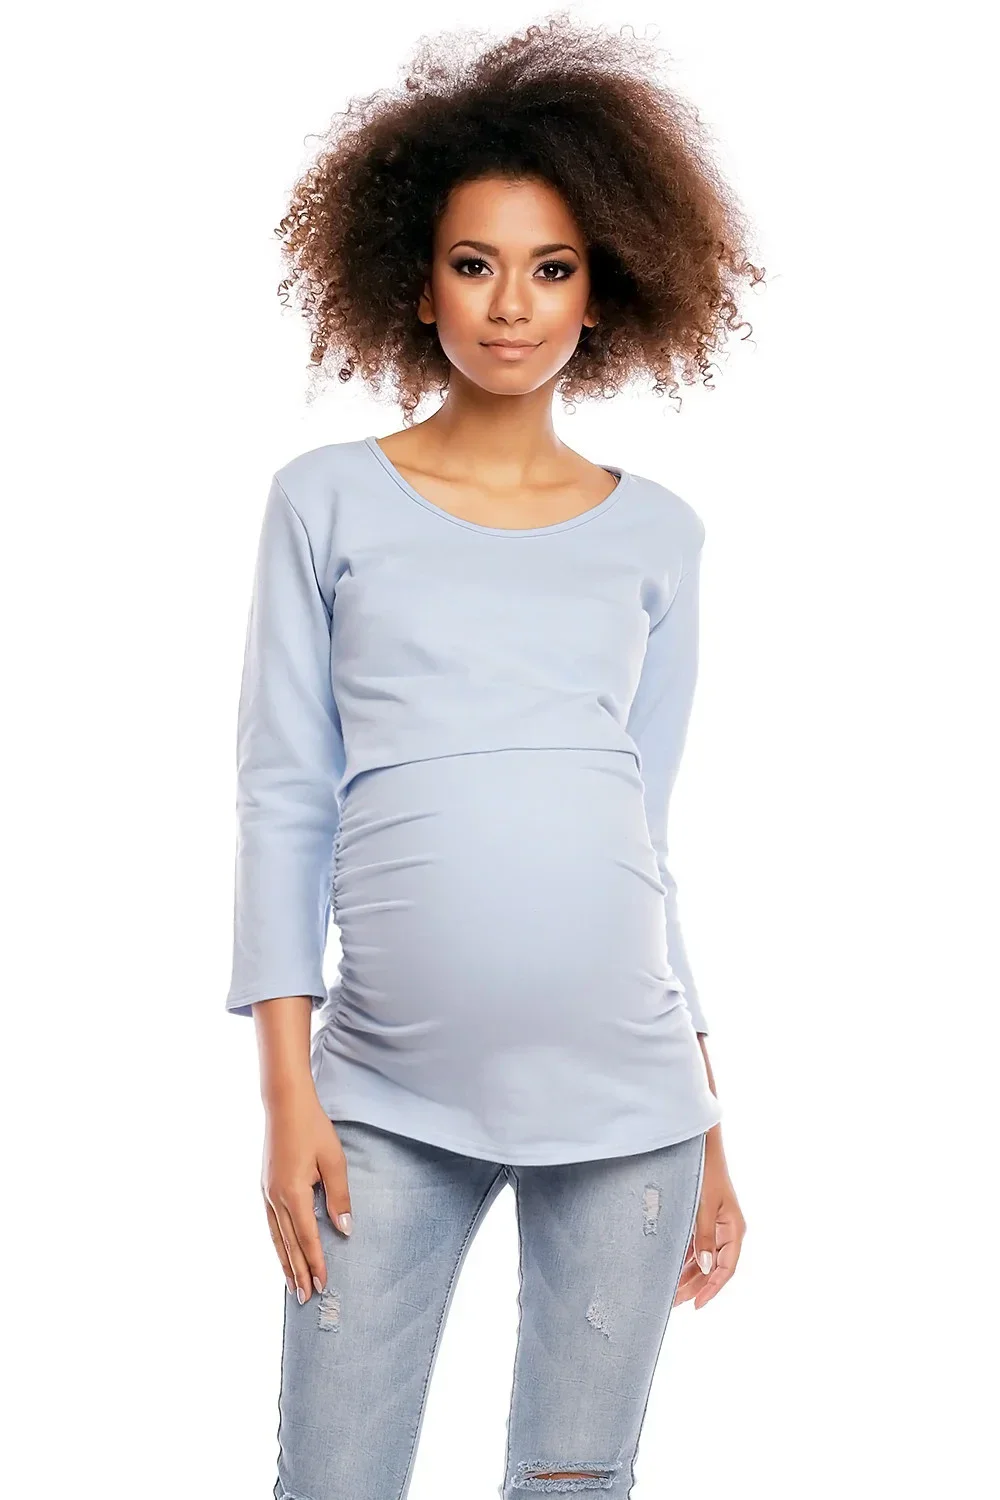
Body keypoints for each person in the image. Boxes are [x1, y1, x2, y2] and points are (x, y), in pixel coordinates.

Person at [225, 14, 760, 1498]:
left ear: (605, 288)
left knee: (574, 1483)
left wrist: (709, 1121)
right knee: (333, 1479)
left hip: (632, 1108)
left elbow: (645, 840)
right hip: (382, 1100)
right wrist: (285, 1093)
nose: (511, 305)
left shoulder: (659, 535)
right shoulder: (326, 501)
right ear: (417, 280)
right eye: (474, 264)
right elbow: (282, 796)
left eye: (552, 268)